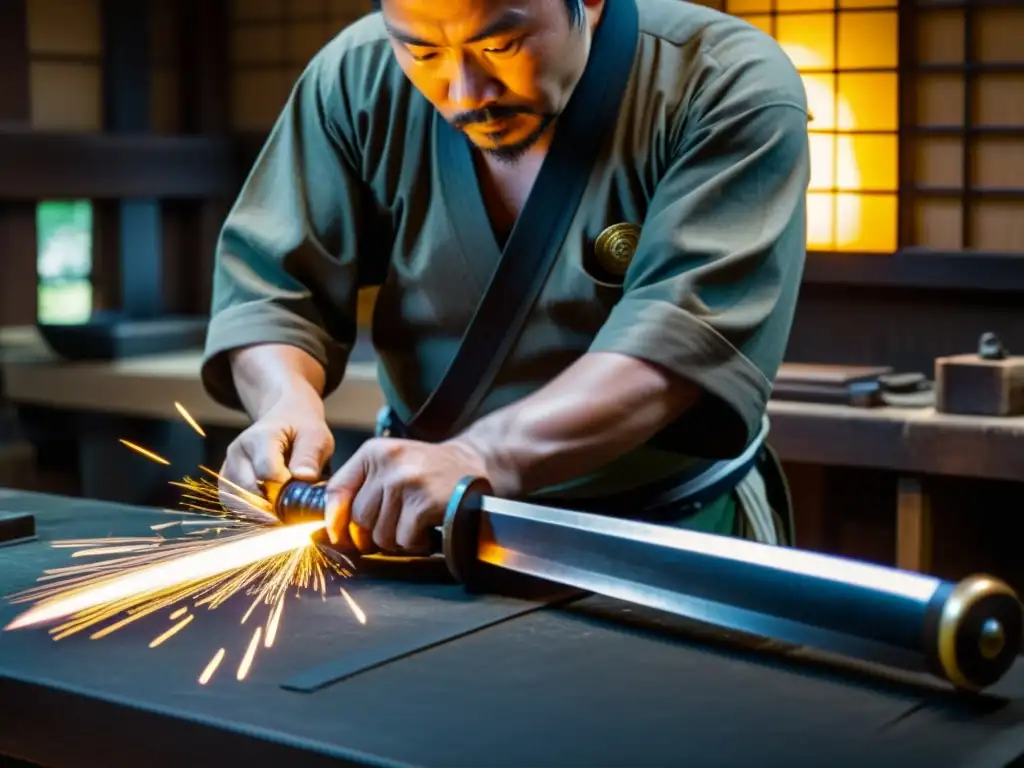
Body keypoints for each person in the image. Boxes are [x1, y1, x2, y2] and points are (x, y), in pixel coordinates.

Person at [201, 0, 810, 554]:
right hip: (425, 532)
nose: (466, 93)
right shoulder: (354, 78)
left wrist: (479, 456)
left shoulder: (722, 81)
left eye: (499, 47)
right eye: (423, 52)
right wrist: (284, 402)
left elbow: (678, 348)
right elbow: (274, 290)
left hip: (660, 534)